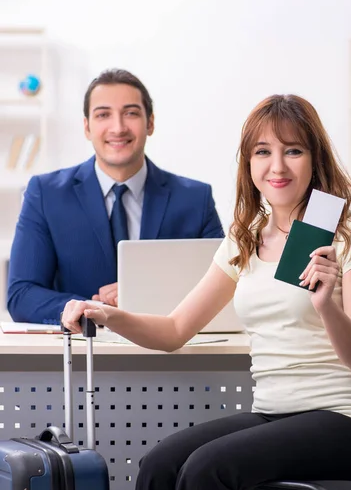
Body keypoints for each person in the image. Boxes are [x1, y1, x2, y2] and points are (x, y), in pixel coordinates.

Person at [62, 94, 351, 490]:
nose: (277, 165)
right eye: (262, 152)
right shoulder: (246, 235)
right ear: (247, 162)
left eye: (293, 150)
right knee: (158, 466)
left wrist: (326, 306)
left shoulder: (348, 232)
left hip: (346, 421)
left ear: (315, 159)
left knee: (208, 470)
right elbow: (175, 329)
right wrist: (107, 313)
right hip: (275, 412)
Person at [8, 69, 224, 324]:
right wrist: (95, 309)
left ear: (150, 123)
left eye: (131, 113)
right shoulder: (46, 194)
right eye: (103, 115)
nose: (118, 128)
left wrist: (143, 296)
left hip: (171, 356)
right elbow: (22, 295)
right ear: (87, 127)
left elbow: (226, 288)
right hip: (82, 353)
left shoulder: (195, 199)